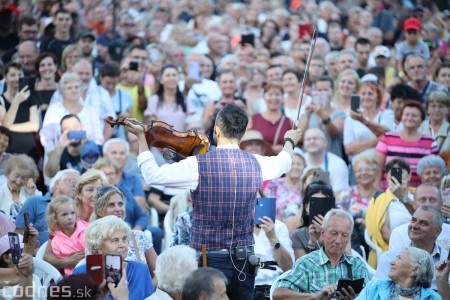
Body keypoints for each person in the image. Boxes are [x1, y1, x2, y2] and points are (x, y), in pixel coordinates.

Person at [125, 104, 302, 299]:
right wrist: (289, 141)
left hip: (207, 257)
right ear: (242, 134)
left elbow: (152, 175)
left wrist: (142, 138)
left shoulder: (197, 164)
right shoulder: (258, 163)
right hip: (244, 258)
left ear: (216, 131)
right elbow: (284, 161)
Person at [272, 209, 369, 299]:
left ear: (349, 239)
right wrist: (314, 297)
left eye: (344, 235)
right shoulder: (307, 264)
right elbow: (278, 294)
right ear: (323, 233)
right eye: (334, 233)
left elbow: (372, 296)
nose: (338, 241)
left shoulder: (357, 266)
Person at [73, 215, 154, 299]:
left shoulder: (141, 269)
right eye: (115, 241)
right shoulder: (81, 273)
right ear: (99, 247)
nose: (122, 245)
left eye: (124, 239)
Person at [91, 185, 157, 279]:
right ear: (99, 211)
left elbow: (159, 274)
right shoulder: (94, 239)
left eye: (120, 204)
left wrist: (147, 288)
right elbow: (95, 278)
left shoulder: (139, 236)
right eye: (111, 205)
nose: (118, 209)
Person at [375, 206, 448, 290]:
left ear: (437, 231)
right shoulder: (389, 258)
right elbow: (380, 293)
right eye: (413, 220)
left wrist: (442, 280)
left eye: (423, 223)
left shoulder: (446, 262)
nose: (414, 226)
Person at [376, 100, 439, 188]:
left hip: (419, 193)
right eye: (406, 114)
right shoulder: (387, 138)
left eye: (414, 115)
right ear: (401, 117)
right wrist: (376, 191)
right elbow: (377, 167)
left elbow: (435, 170)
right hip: (389, 192)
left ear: (421, 121)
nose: (410, 118)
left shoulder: (430, 141)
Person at [365, 158, 415, 267]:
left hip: (419, 244)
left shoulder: (417, 195)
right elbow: (384, 230)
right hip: (394, 247)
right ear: (387, 177)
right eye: (394, 171)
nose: (398, 174)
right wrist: (405, 248)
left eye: (402, 171)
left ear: (409, 176)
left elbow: (425, 217)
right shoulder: (381, 198)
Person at [356, 247, 441, 300]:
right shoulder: (374, 288)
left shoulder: (432, 298)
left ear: (414, 271)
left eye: (399, 258)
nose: (392, 262)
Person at [389, 183, 450, 252]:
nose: (428, 204)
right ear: (414, 204)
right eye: (422, 200)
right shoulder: (399, 234)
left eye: (432, 200)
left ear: (441, 204)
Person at [0, 62, 39, 161]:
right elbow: (5, 124)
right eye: (12, 75)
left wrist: (10, 127)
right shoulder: (1, 100)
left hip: (29, 151)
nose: (17, 78)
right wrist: (16, 101)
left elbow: (35, 126)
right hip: (7, 152)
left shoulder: (30, 99)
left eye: (19, 75)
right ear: (6, 77)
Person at [143, 64, 195, 131]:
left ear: (178, 78)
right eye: (168, 75)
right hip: (160, 139)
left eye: (174, 75)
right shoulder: (154, 99)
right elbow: (151, 125)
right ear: (161, 80)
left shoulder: (185, 100)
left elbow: (191, 122)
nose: (171, 78)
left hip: (182, 140)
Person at [45, 195, 87, 275]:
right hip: (70, 275)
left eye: (72, 213)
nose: (70, 217)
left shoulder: (86, 231)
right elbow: (47, 257)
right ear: (55, 218)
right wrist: (67, 261)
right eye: (64, 214)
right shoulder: (56, 239)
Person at [253, 216, 294, 299]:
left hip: (273, 285)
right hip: (245, 285)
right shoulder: (237, 226)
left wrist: (272, 237)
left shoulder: (279, 226)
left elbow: (289, 267)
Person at [302, 128, 349, 194]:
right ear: (303, 143)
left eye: (315, 138)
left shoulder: (338, 164)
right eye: (308, 139)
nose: (311, 141)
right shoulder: (298, 162)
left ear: (325, 142)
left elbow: (340, 193)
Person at [250, 82, 292, 154]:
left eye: (277, 94)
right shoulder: (253, 119)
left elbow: (294, 144)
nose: (274, 98)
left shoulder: (288, 121)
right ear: (264, 97)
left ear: (282, 98)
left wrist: (284, 148)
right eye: (270, 94)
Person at [263, 152, 305, 221]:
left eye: (299, 164)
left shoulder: (306, 186)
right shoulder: (274, 183)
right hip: (275, 224)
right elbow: (266, 206)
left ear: (304, 167)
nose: (295, 167)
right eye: (292, 164)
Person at [0, 154, 40, 222]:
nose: (18, 182)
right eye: (16, 176)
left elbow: (39, 217)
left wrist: (32, 196)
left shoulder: (34, 193)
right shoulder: (1, 191)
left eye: (24, 178)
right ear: (8, 172)